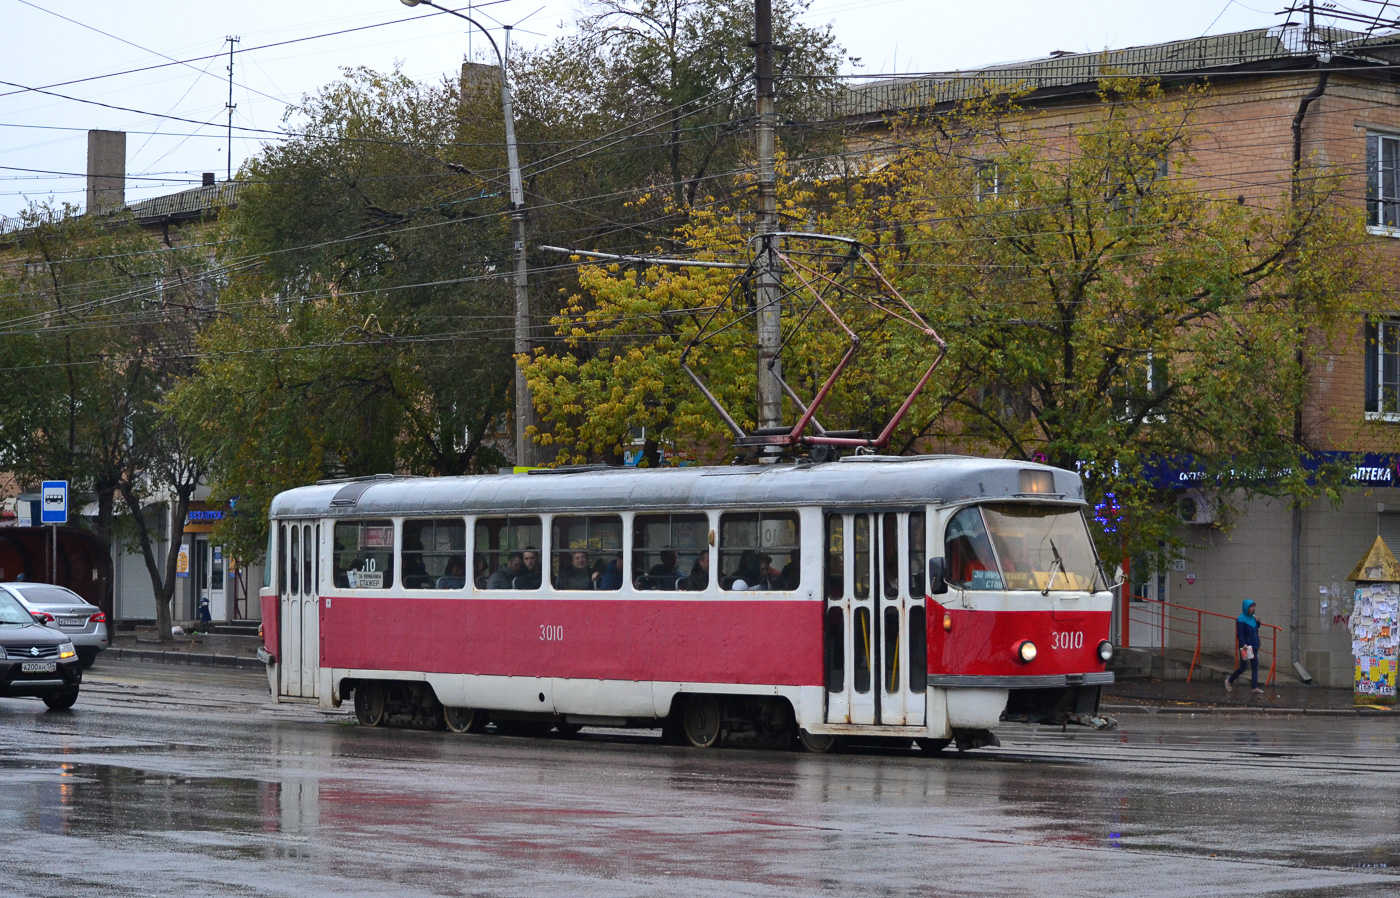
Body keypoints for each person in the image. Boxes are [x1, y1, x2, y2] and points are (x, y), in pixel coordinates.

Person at [1226, 599, 1264, 694]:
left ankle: (1254, 687)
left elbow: (1256, 628)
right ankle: (1229, 681)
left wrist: (1258, 621)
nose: (1253, 608)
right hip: (1246, 647)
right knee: (1243, 667)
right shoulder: (1241, 619)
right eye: (1251, 607)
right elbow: (1240, 633)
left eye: (1253, 606)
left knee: (1255, 666)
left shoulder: (1253, 617)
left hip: (1254, 645)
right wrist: (1243, 644)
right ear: (1246, 608)